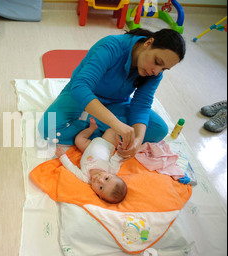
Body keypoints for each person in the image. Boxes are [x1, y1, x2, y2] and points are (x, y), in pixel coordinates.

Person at [39, 28, 186, 160]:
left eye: (164, 69)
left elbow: (141, 104)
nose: (157, 71)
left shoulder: (154, 73)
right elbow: (80, 87)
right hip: (82, 97)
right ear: (148, 43)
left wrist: (137, 140)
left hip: (117, 103)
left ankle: (96, 129)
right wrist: (116, 124)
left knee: (159, 129)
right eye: (157, 61)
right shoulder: (111, 46)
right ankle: (108, 132)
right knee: (49, 128)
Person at [55, 118, 127, 204]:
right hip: (106, 143)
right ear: (112, 175)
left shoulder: (85, 178)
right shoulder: (111, 169)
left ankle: (92, 129)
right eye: (106, 178)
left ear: (98, 195)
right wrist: (121, 149)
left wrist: (62, 157)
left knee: (78, 139)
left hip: (87, 149)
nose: (100, 180)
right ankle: (116, 139)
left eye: (100, 187)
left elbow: (72, 168)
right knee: (111, 131)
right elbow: (118, 158)